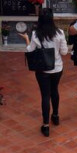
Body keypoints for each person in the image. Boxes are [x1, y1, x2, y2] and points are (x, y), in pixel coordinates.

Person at [21, 9, 70, 137]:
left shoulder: (36, 34)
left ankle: (46, 125)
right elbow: (64, 52)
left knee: (45, 96)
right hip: (57, 68)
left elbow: (30, 50)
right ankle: (56, 115)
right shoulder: (59, 33)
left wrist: (26, 38)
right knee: (55, 91)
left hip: (42, 70)